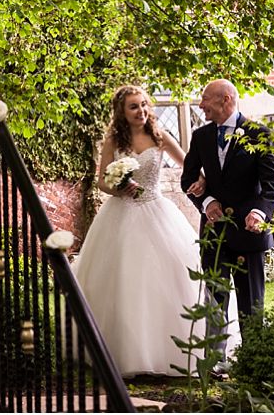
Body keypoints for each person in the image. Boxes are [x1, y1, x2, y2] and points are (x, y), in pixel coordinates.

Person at [72, 85, 237, 377]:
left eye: (144, 105)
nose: (141, 111)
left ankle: (182, 351)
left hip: (157, 211)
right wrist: (119, 186)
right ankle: (126, 354)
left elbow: (190, 167)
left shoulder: (160, 136)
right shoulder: (113, 139)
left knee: (172, 278)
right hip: (120, 215)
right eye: (134, 107)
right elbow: (101, 181)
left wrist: (202, 184)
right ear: (122, 112)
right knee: (123, 281)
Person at [180, 79, 274, 372]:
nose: (201, 105)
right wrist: (207, 201)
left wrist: (260, 213)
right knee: (214, 299)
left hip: (249, 233)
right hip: (214, 233)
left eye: (205, 99)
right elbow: (187, 180)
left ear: (226, 99)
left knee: (252, 301)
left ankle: (254, 362)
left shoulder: (258, 133)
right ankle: (216, 362)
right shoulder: (200, 137)